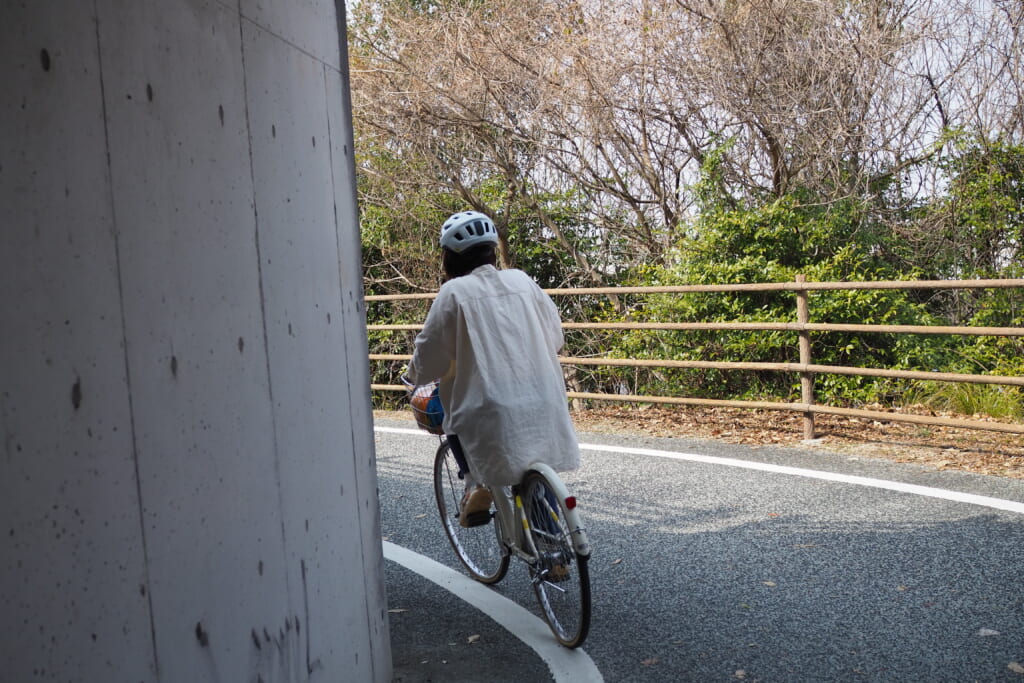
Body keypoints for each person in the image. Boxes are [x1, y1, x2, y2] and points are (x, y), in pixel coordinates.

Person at [405, 210, 580, 527]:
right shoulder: (522, 281)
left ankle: (476, 482)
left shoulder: (454, 292)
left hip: (491, 407)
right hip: (544, 398)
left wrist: (415, 376)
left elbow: (430, 350)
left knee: (454, 418)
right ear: (492, 250)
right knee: (536, 466)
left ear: (451, 258)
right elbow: (554, 335)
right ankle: (553, 545)